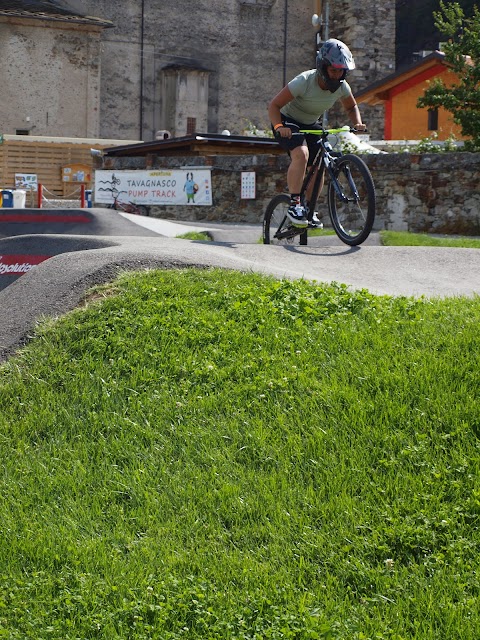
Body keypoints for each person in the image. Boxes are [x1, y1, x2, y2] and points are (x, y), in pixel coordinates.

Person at [268, 38, 366, 228]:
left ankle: (309, 209)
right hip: (287, 121)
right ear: (323, 67)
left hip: (311, 123)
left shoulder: (342, 87)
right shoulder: (304, 81)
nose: (337, 75)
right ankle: (295, 204)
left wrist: (358, 123)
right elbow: (274, 105)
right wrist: (280, 127)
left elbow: (351, 106)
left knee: (321, 160)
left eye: (341, 71)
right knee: (301, 154)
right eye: (333, 70)